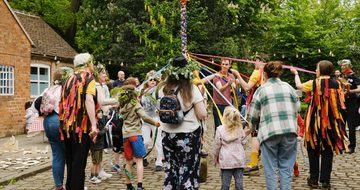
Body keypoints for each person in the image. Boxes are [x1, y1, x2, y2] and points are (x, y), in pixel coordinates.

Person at [291, 60, 347, 189]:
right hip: (331, 123)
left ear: (321, 70)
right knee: (328, 151)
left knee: (313, 149)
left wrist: (296, 74)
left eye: (317, 68)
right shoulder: (337, 83)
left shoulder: (314, 83)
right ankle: (325, 181)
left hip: (314, 122)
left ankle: (313, 179)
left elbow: (299, 86)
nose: (315, 70)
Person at [247, 61, 299, 190]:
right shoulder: (289, 87)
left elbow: (253, 115)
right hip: (290, 132)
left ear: (264, 74)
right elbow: (297, 108)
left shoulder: (261, 90)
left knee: (270, 170)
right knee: (286, 169)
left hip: (269, 132)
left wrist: (252, 130)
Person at [158, 55, 207, 189]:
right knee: (187, 169)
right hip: (188, 135)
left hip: (167, 135)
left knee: (171, 168)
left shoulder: (163, 89)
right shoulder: (191, 89)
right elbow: (202, 114)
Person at [59, 53, 99, 190]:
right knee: (79, 164)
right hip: (82, 129)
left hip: (67, 127)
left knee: (70, 162)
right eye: (92, 63)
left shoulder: (68, 79)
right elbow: (89, 99)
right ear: (88, 64)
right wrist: (94, 124)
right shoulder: (89, 79)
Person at [116, 83, 160, 190]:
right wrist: (155, 123)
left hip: (126, 135)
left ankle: (129, 185)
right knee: (139, 160)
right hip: (136, 134)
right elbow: (144, 117)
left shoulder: (122, 105)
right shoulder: (136, 104)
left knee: (128, 162)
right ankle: (139, 186)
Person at [236, 60, 265, 174]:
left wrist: (238, 75)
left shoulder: (258, 72)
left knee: (255, 133)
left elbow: (247, 87)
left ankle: (254, 164)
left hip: (257, 107)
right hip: (265, 106)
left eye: (257, 61)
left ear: (263, 62)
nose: (254, 63)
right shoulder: (266, 75)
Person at [42, 69, 66, 190]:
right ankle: (74, 184)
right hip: (59, 121)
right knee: (70, 155)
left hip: (47, 121)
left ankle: (59, 186)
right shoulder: (64, 90)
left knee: (57, 155)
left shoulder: (48, 89)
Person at [213, 106, 247, 190]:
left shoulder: (220, 130)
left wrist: (215, 157)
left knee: (225, 184)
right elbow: (244, 143)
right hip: (239, 161)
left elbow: (217, 146)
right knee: (239, 184)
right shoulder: (240, 129)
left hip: (226, 161)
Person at [94, 64, 118, 178]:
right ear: (97, 74)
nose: (105, 75)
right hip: (99, 117)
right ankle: (97, 171)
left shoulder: (101, 85)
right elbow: (102, 102)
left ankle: (100, 170)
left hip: (103, 115)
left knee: (102, 145)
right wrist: (117, 100)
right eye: (103, 73)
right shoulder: (97, 85)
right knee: (98, 146)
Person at [140, 70, 164, 171]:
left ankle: (159, 162)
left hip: (156, 118)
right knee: (145, 141)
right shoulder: (142, 91)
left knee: (158, 141)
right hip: (145, 119)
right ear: (147, 81)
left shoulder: (159, 90)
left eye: (155, 79)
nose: (153, 81)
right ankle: (144, 157)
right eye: (151, 80)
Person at [212, 59, 240, 131]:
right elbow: (220, 89)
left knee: (228, 128)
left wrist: (236, 84)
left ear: (229, 66)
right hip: (218, 105)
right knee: (219, 128)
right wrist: (228, 84)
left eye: (226, 64)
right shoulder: (217, 76)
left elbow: (233, 91)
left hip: (228, 104)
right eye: (223, 64)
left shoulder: (231, 76)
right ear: (221, 65)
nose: (224, 66)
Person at [339, 59, 360, 154]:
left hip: (352, 103)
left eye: (344, 66)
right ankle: (343, 144)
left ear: (348, 66)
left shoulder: (354, 77)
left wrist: (349, 91)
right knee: (341, 125)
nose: (342, 67)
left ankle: (352, 146)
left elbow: (359, 89)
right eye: (342, 66)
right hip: (342, 103)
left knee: (351, 126)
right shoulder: (341, 77)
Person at [89, 109, 108, 184]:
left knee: (98, 160)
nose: (101, 114)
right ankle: (92, 176)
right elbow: (98, 133)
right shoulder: (94, 123)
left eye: (101, 112)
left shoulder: (100, 122)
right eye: (99, 112)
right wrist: (105, 130)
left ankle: (97, 175)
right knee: (95, 161)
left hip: (100, 145)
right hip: (95, 145)